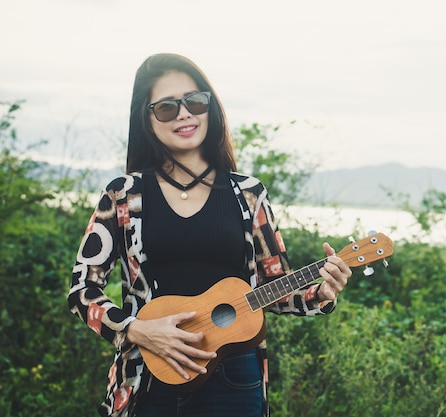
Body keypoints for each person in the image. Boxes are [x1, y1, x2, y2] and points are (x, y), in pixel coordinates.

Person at [67, 52, 352, 417]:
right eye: (167, 108)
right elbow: (82, 291)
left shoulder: (248, 194)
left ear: (210, 108)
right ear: (147, 118)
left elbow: (275, 287)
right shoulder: (123, 195)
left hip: (235, 381)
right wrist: (137, 330)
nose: (185, 114)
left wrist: (321, 292)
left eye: (195, 101)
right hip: (149, 375)